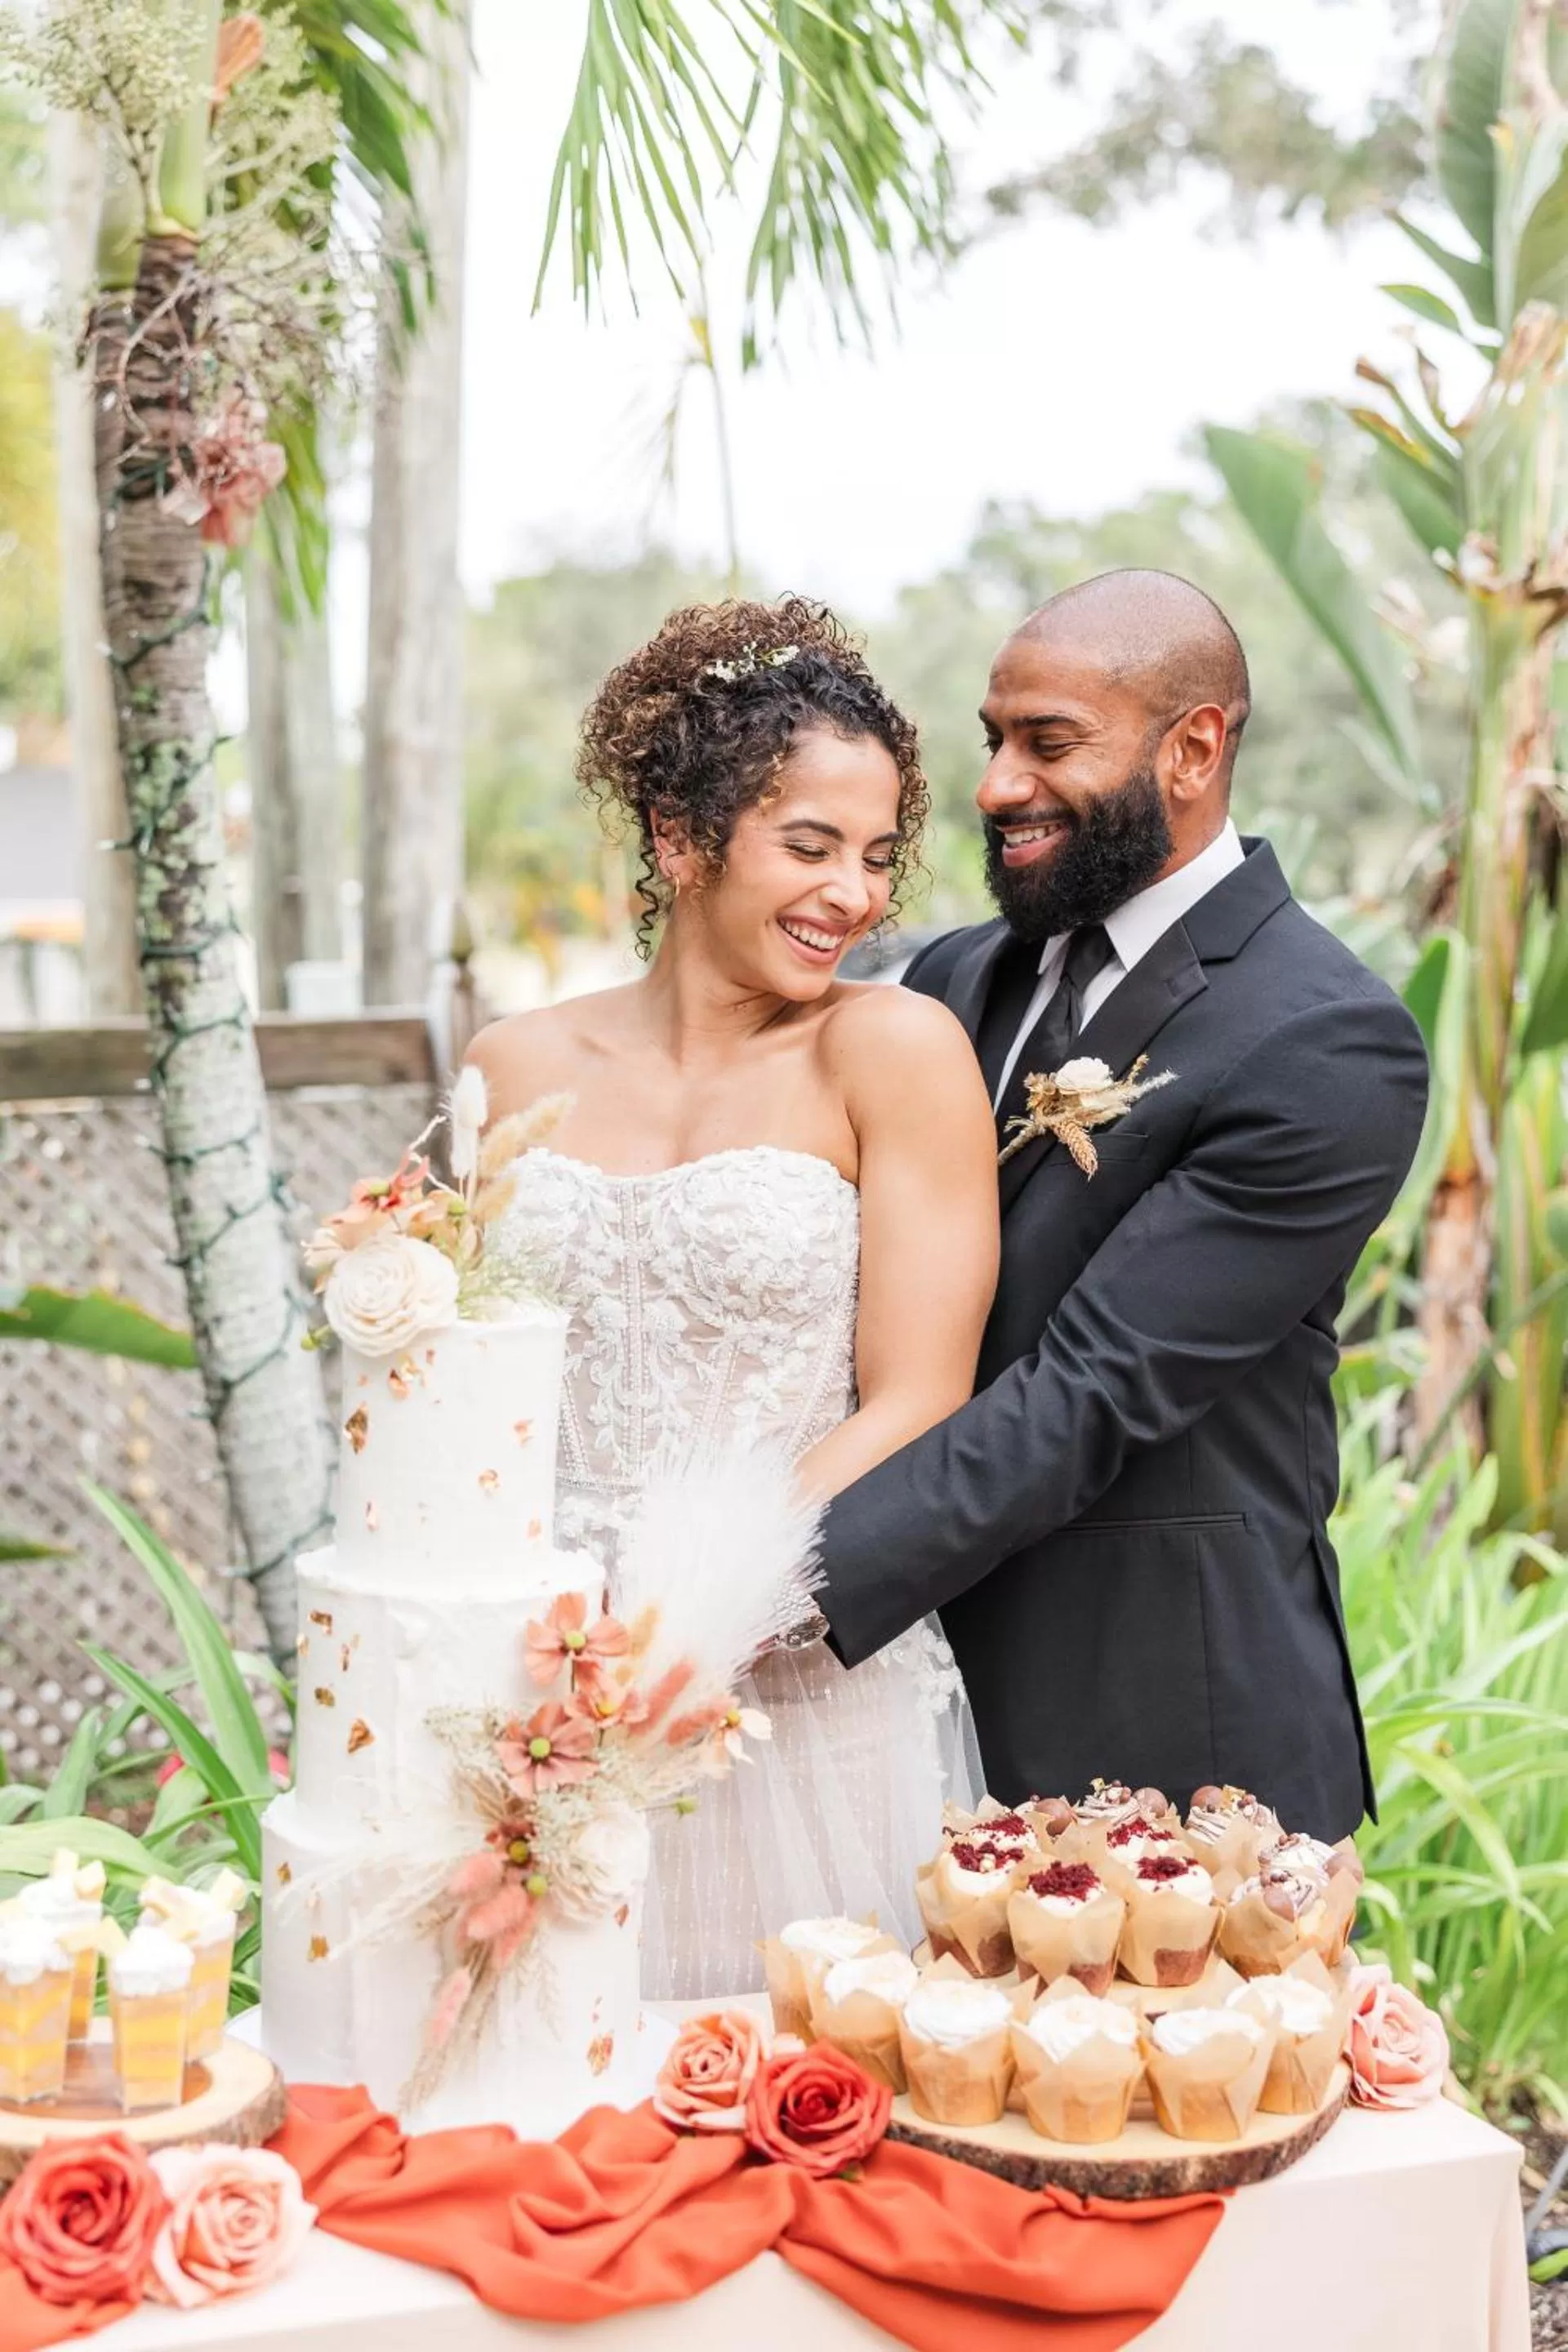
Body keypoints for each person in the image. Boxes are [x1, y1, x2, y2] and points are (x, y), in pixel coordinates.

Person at [811, 568, 1430, 1842]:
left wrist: (772, 1581)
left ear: (1194, 747)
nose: (995, 787)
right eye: (994, 741)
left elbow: (1087, 1392)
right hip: (908, 1709)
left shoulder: (1326, 1039)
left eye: (1049, 743)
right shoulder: (955, 976)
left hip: (1168, 1743)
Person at [466, 595, 998, 1998]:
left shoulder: (891, 1051)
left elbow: (922, 1390)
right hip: (537, 1678)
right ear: (679, 836)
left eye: (879, 855)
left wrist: (700, 1615)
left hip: (788, 1687)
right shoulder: (513, 1067)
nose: (856, 894)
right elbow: (459, 1381)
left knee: (795, 2116)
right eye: (810, 845)